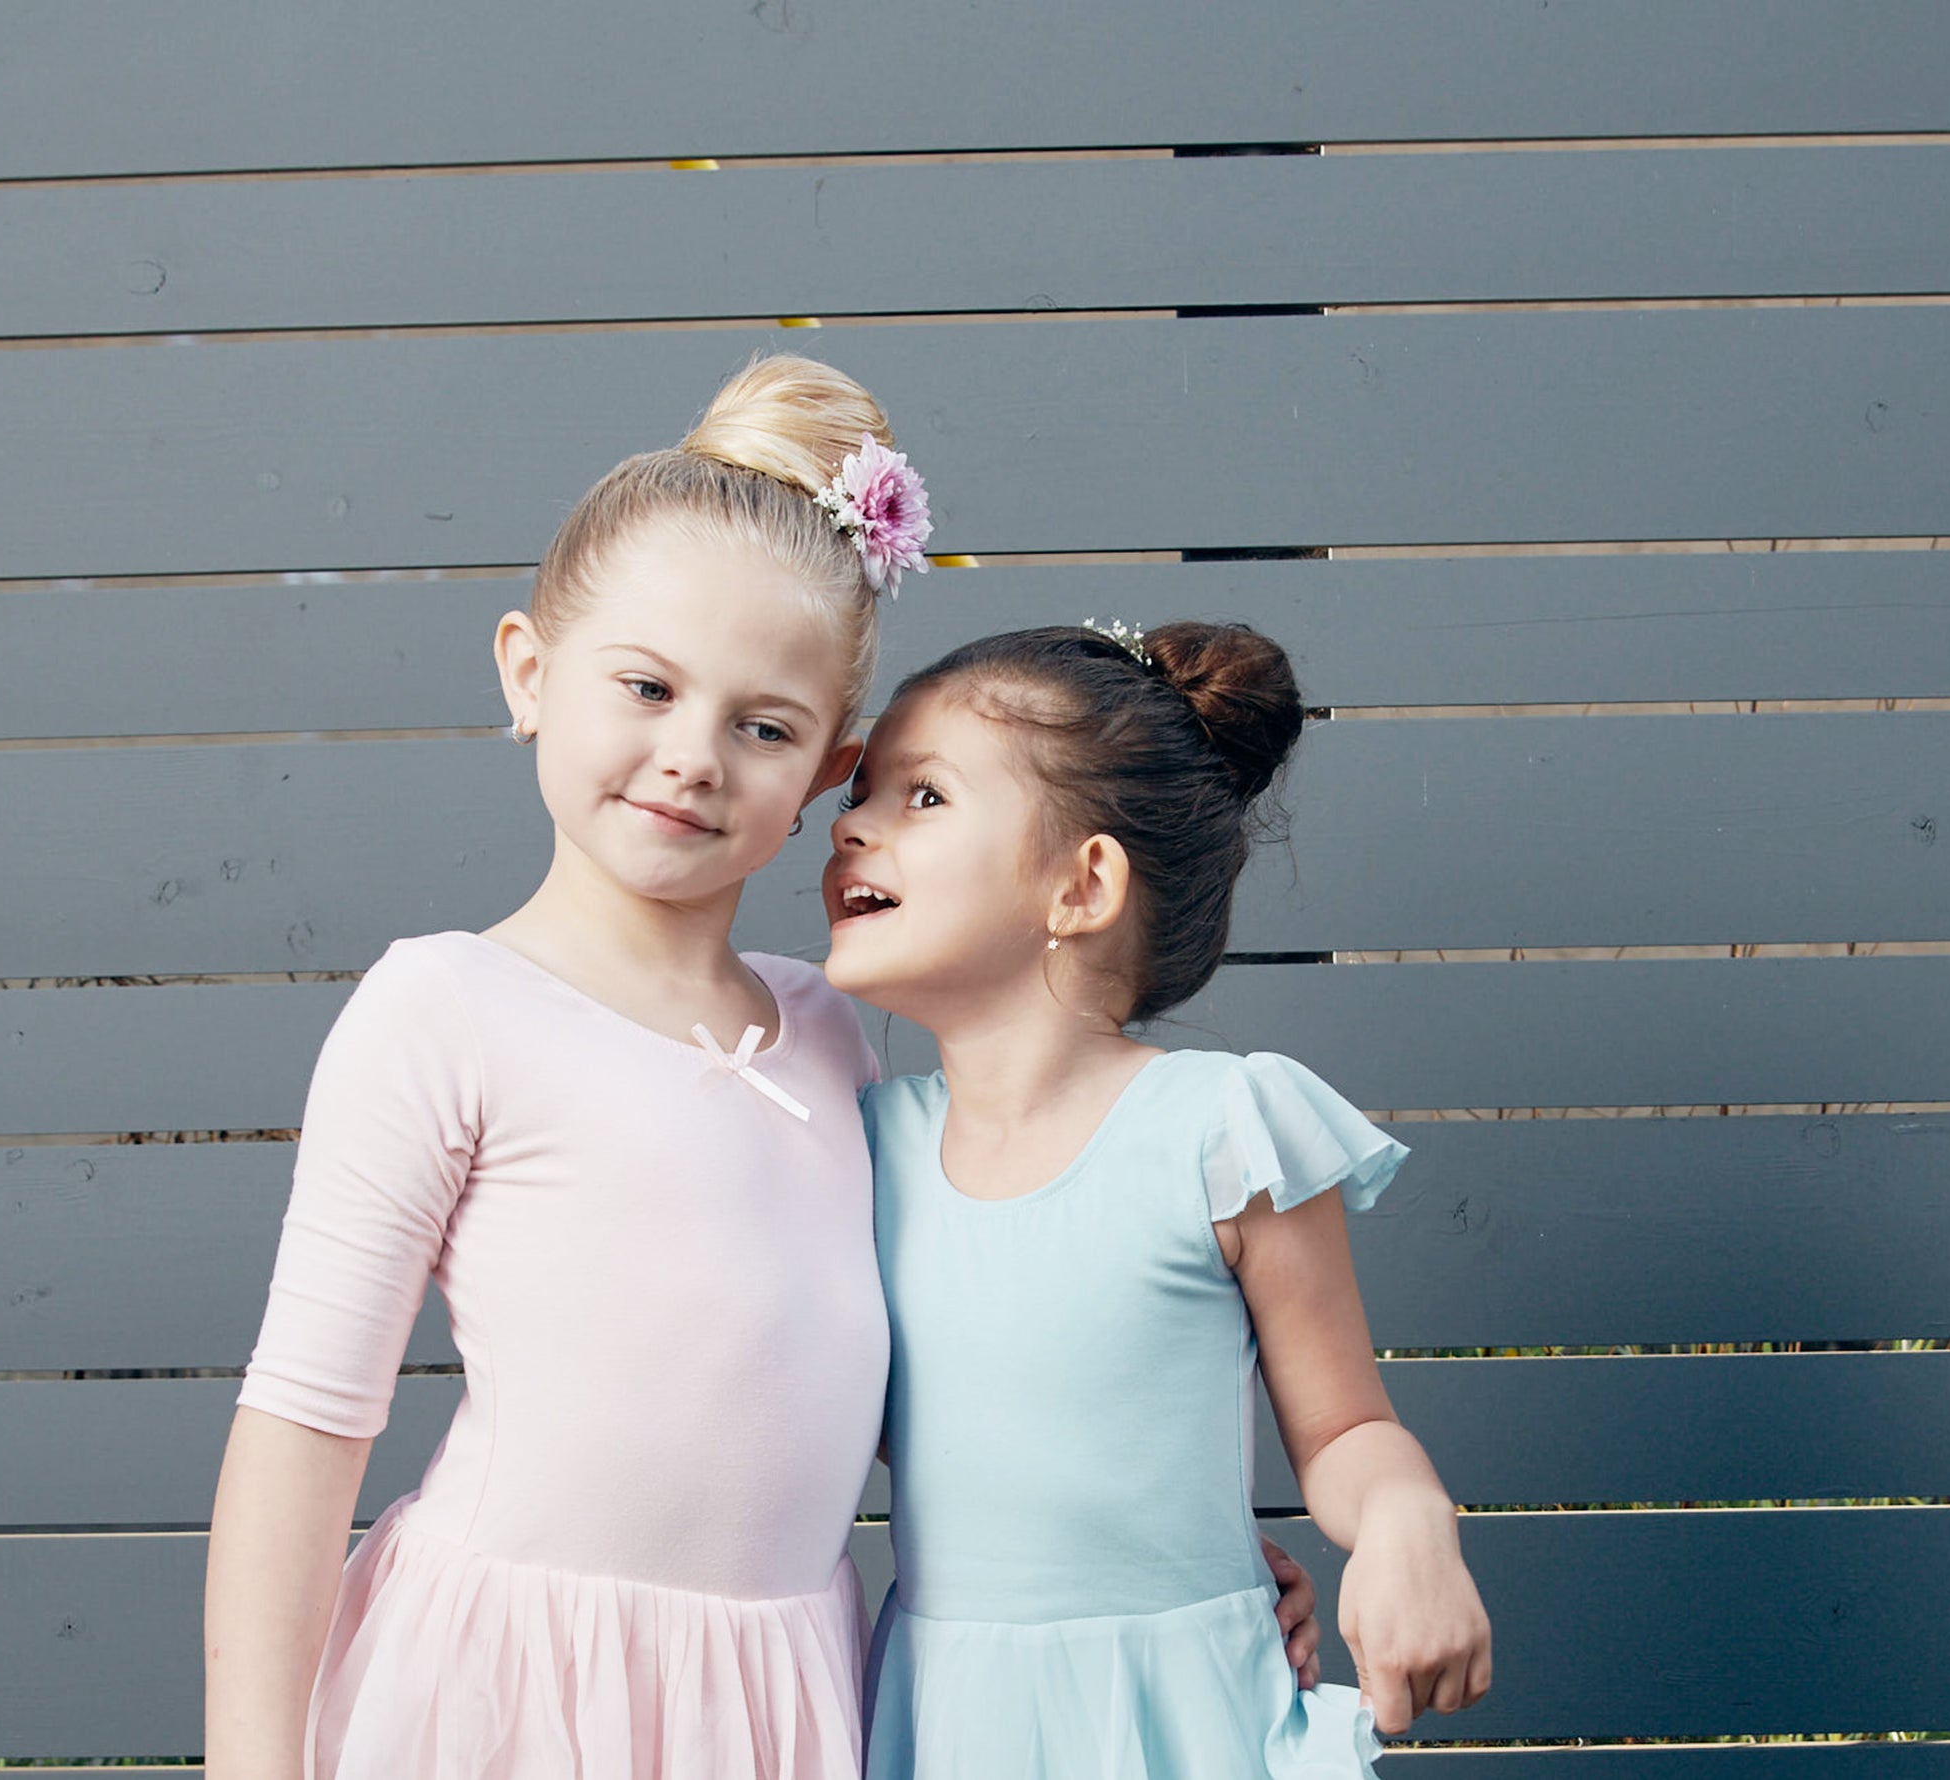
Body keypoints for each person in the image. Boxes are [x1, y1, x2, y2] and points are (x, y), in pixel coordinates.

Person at [203, 356, 1313, 1780]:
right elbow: (301, 1429)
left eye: (763, 727)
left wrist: (1169, 1570)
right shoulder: (449, 1008)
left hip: (777, 1704)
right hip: (508, 1689)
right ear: (530, 673)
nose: (692, 756)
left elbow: (981, 1376)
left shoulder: (840, 1040)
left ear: (823, 774)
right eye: (647, 687)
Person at [826, 621, 1493, 1778]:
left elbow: (1343, 1428)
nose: (849, 823)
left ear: (1081, 885)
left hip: (1181, 1718)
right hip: (946, 1717)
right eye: (861, 791)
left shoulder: (1219, 1132)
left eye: (921, 796)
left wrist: (1403, 1521)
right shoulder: (854, 1147)